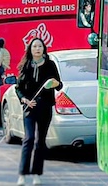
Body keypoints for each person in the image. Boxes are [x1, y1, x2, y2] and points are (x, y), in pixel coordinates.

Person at [15, 38, 63, 186]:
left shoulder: (50, 65)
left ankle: (36, 173)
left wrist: (55, 83)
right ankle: (22, 174)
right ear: (30, 49)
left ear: (44, 48)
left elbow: (59, 85)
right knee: (28, 139)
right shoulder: (25, 66)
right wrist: (25, 100)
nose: (37, 49)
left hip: (45, 108)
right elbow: (18, 88)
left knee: (39, 141)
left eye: (40, 46)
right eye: (34, 46)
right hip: (29, 108)